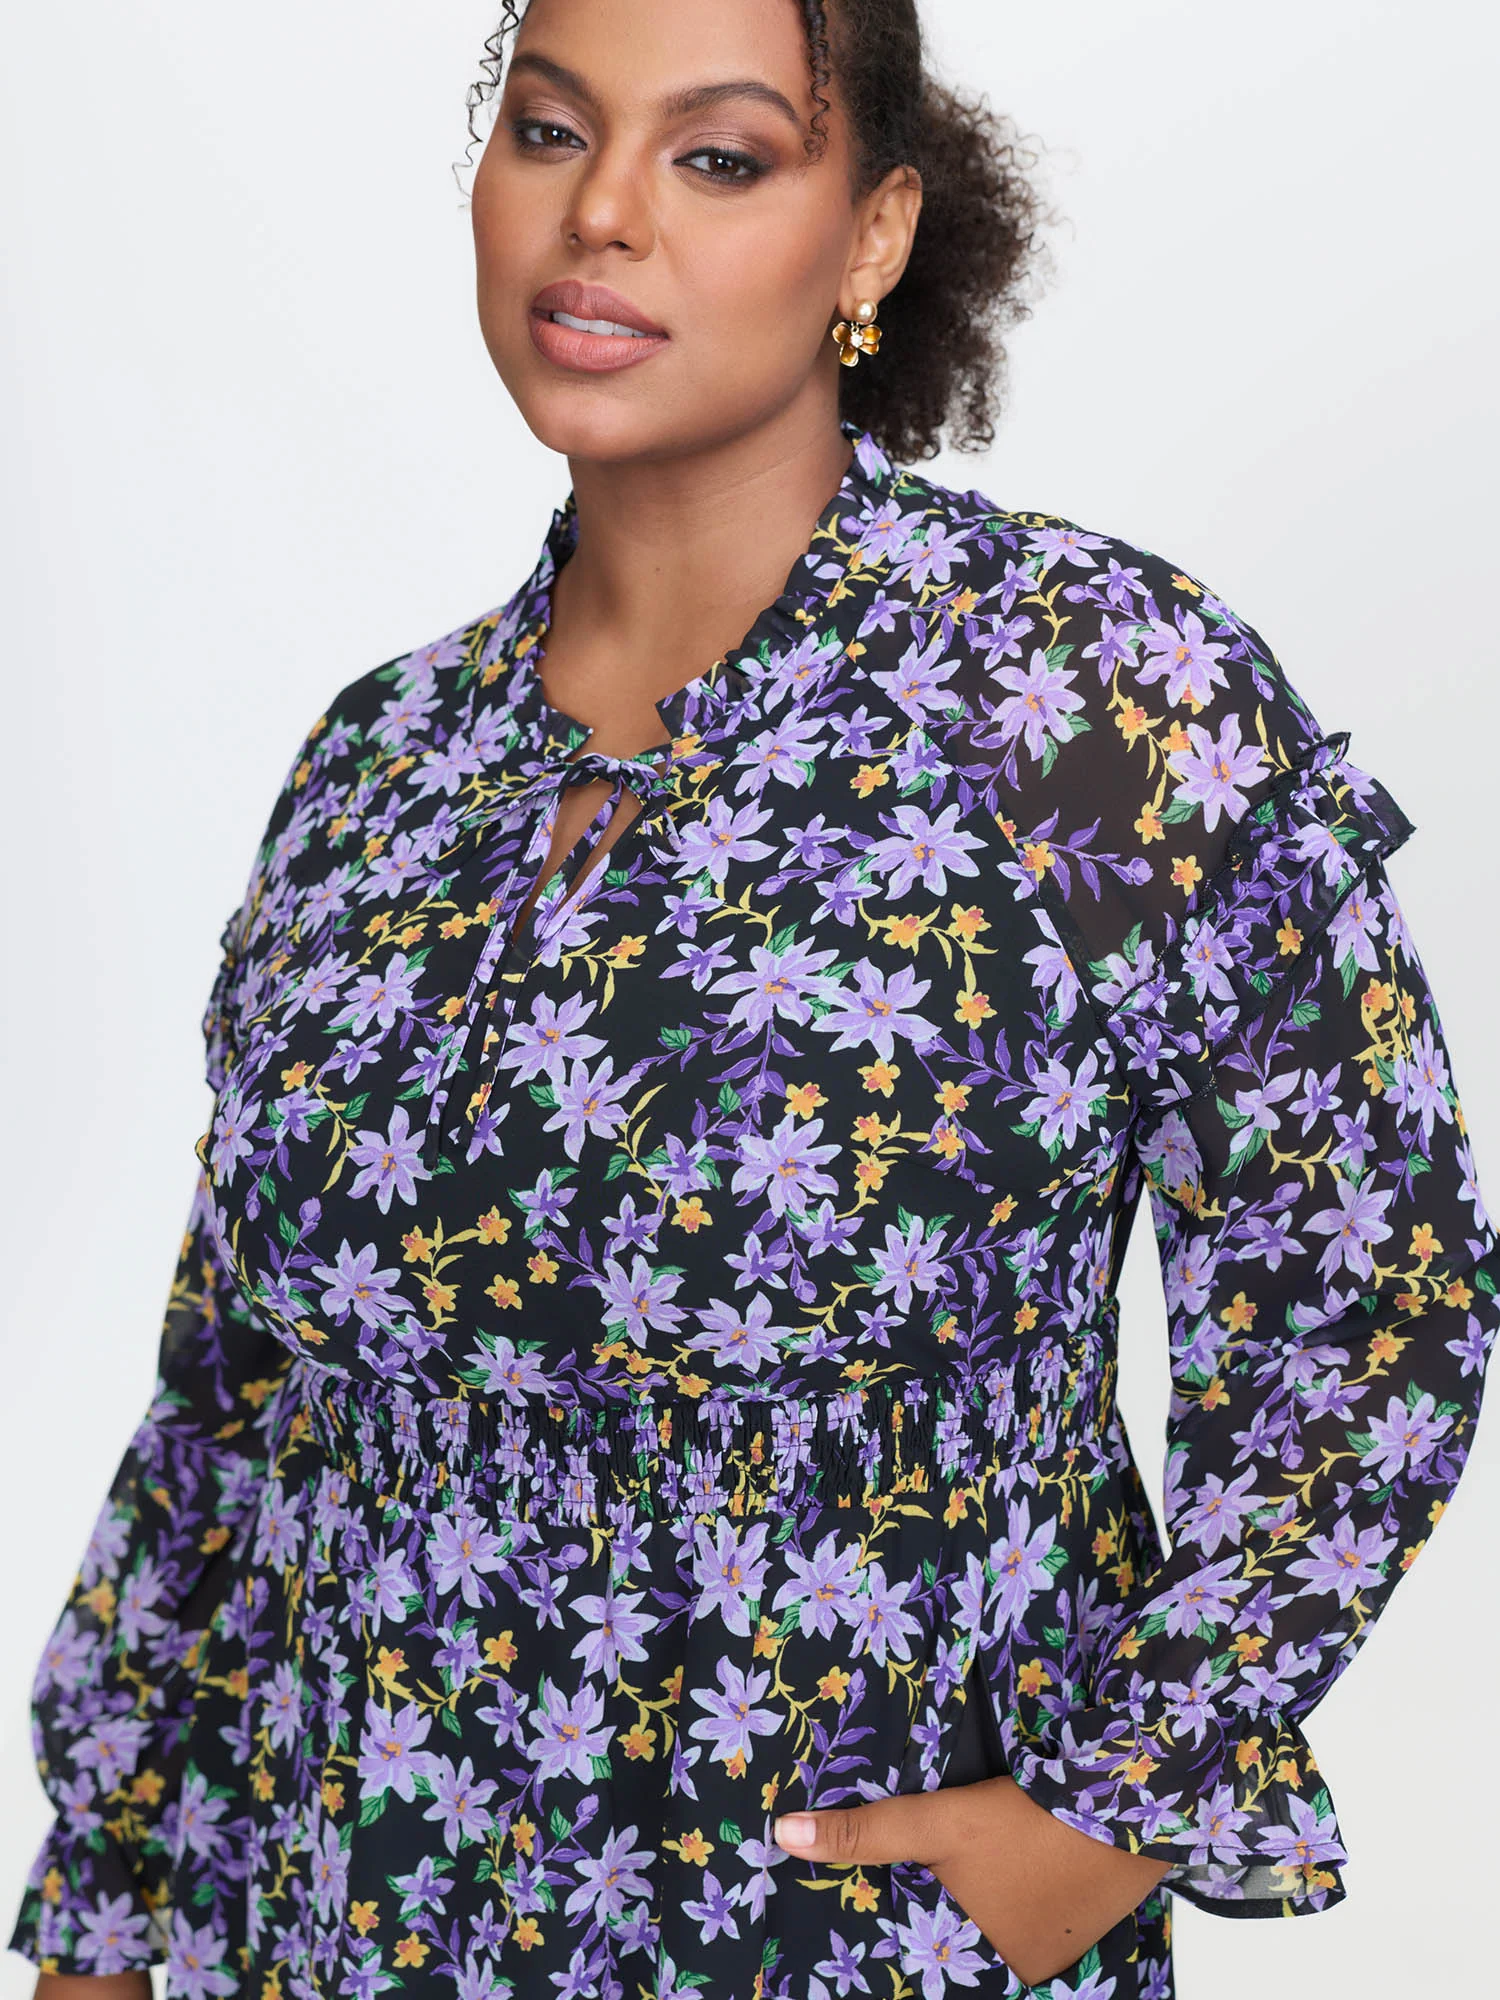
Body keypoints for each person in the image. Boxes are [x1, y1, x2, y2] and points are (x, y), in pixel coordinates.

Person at [11, 1, 1495, 1995]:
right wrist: (111, 1902)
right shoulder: (380, 762)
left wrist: (1108, 1812)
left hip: (827, 1942)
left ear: (874, 235)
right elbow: (231, 1397)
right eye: (552, 131)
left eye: (716, 157)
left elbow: (1372, 1287)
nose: (603, 213)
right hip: (327, 1918)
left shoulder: (1080, 694)